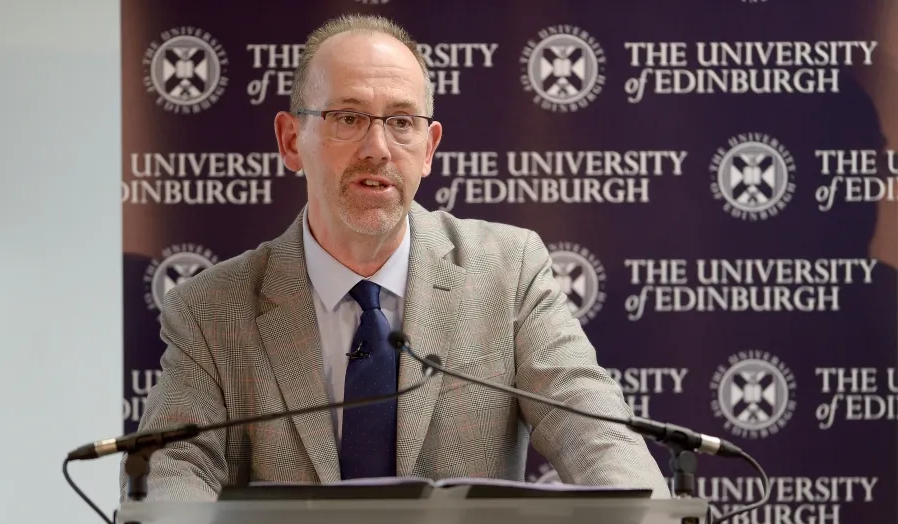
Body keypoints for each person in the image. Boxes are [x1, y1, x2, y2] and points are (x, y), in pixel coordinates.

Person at [119, 13, 669, 501]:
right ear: (291, 140)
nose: (377, 148)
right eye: (348, 117)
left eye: (401, 121)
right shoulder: (212, 310)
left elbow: (598, 440)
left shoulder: (508, 272)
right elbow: (175, 473)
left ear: (428, 150)